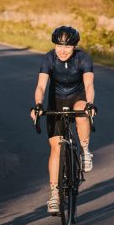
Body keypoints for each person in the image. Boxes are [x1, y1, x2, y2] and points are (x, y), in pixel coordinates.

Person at [30, 25, 96, 215]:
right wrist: (38, 105)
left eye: (67, 46)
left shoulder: (83, 58)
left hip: (78, 97)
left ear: (74, 46)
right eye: (59, 46)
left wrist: (90, 103)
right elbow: (41, 86)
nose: (62, 50)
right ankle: (55, 195)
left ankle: (84, 151)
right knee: (56, 148)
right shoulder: (49, 58)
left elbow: (89, 84)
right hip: (55, 101)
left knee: (82, 111)